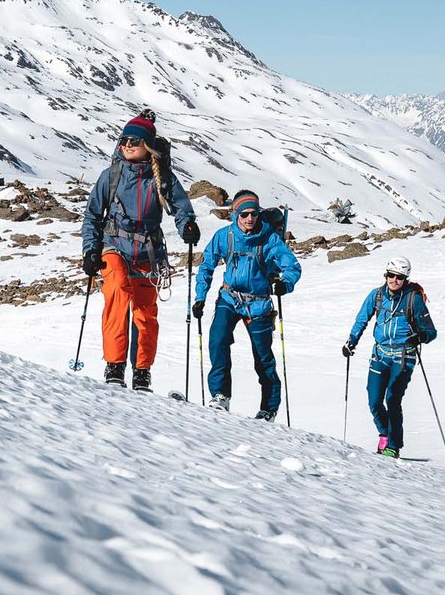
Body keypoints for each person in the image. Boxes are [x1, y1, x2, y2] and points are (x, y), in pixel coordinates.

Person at [82, 111, 200, 391]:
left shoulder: (162, 178)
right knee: (118, 292)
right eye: (123, 140)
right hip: (114, 248)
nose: (126, 144)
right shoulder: (111, 176)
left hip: (149, 253)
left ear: (147, 144)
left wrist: (188, 227)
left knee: (146, 315)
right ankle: (115, 365)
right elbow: (92, 216)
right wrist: (90, 250)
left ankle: (142, 371)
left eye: (133, 140)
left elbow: (182, 208)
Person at [191, 190, 300, 420]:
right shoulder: (225, 236)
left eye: (254, 213)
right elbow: (206, 266)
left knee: (263, 358)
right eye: (244, 214)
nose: (250, 218)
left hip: (259, 304)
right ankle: (220, 395)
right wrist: (200, 297)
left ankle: (269, 408)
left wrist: (285, 284)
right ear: (235, 214)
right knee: (218, 339)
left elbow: (293, 267)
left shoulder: (270, 239)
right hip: (229, 298)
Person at [343, 255, 437, 457]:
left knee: (392, 398)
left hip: (404, 356)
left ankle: (393, 446)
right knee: (374, 401)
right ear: (385, 275)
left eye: (400, 277)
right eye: (391, 275)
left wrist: (420, 336)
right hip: (380, 354)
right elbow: (362, 319)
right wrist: (351, 341)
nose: (394, 280)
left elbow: (431, 332)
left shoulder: (414, 299)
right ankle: (384, 434)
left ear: (406, 279)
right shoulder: (376, 295)